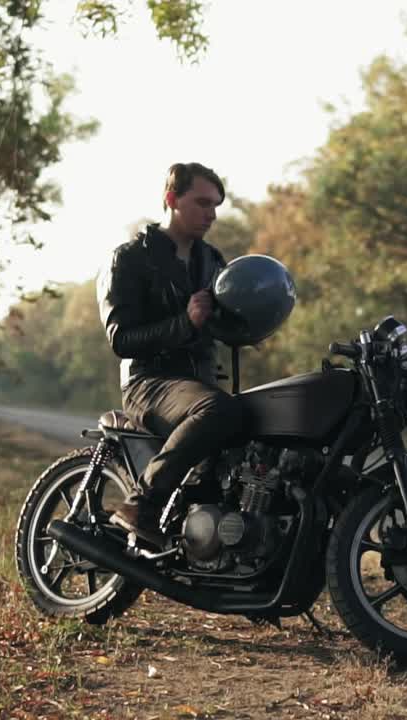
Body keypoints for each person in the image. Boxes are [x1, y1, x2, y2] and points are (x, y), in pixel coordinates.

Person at [96, 162, 243, 545]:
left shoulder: (212, 262)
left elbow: (225, 323)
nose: (211, 214)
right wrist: (185, 321)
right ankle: (140, 504)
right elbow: (121, 338)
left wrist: (251, 322)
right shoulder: (129, 258)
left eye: (215, 206)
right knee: (216, 410)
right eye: (201, 203)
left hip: (200, 382)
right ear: (171, 199)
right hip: (150, 382)